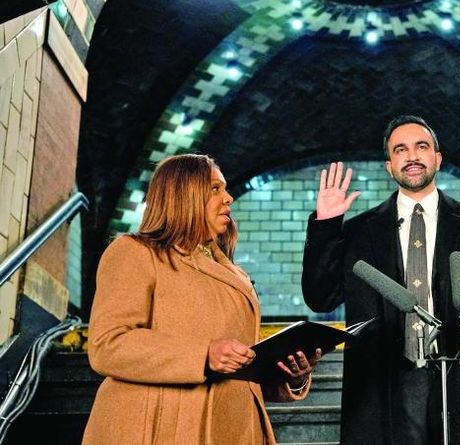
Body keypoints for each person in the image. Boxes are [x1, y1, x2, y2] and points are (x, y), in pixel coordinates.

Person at [302, 115, 460, 444]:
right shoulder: (358, 231)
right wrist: (326, 225)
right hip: (381, 384)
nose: (412, 156)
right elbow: (320, 298)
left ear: (437, 158)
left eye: (421, 146)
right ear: (389, 166)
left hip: (459, 377)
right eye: (400, 149)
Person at [83, 154, 321, 445]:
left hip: (236, 428)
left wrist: (291, 375)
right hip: (160, 427)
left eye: (225, 189)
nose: (228, 198)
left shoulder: (235, 274)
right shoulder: (134, 252)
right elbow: (108, 344)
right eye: (215, 189)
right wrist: (203, 355)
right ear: (183, 194)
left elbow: (241, 367)